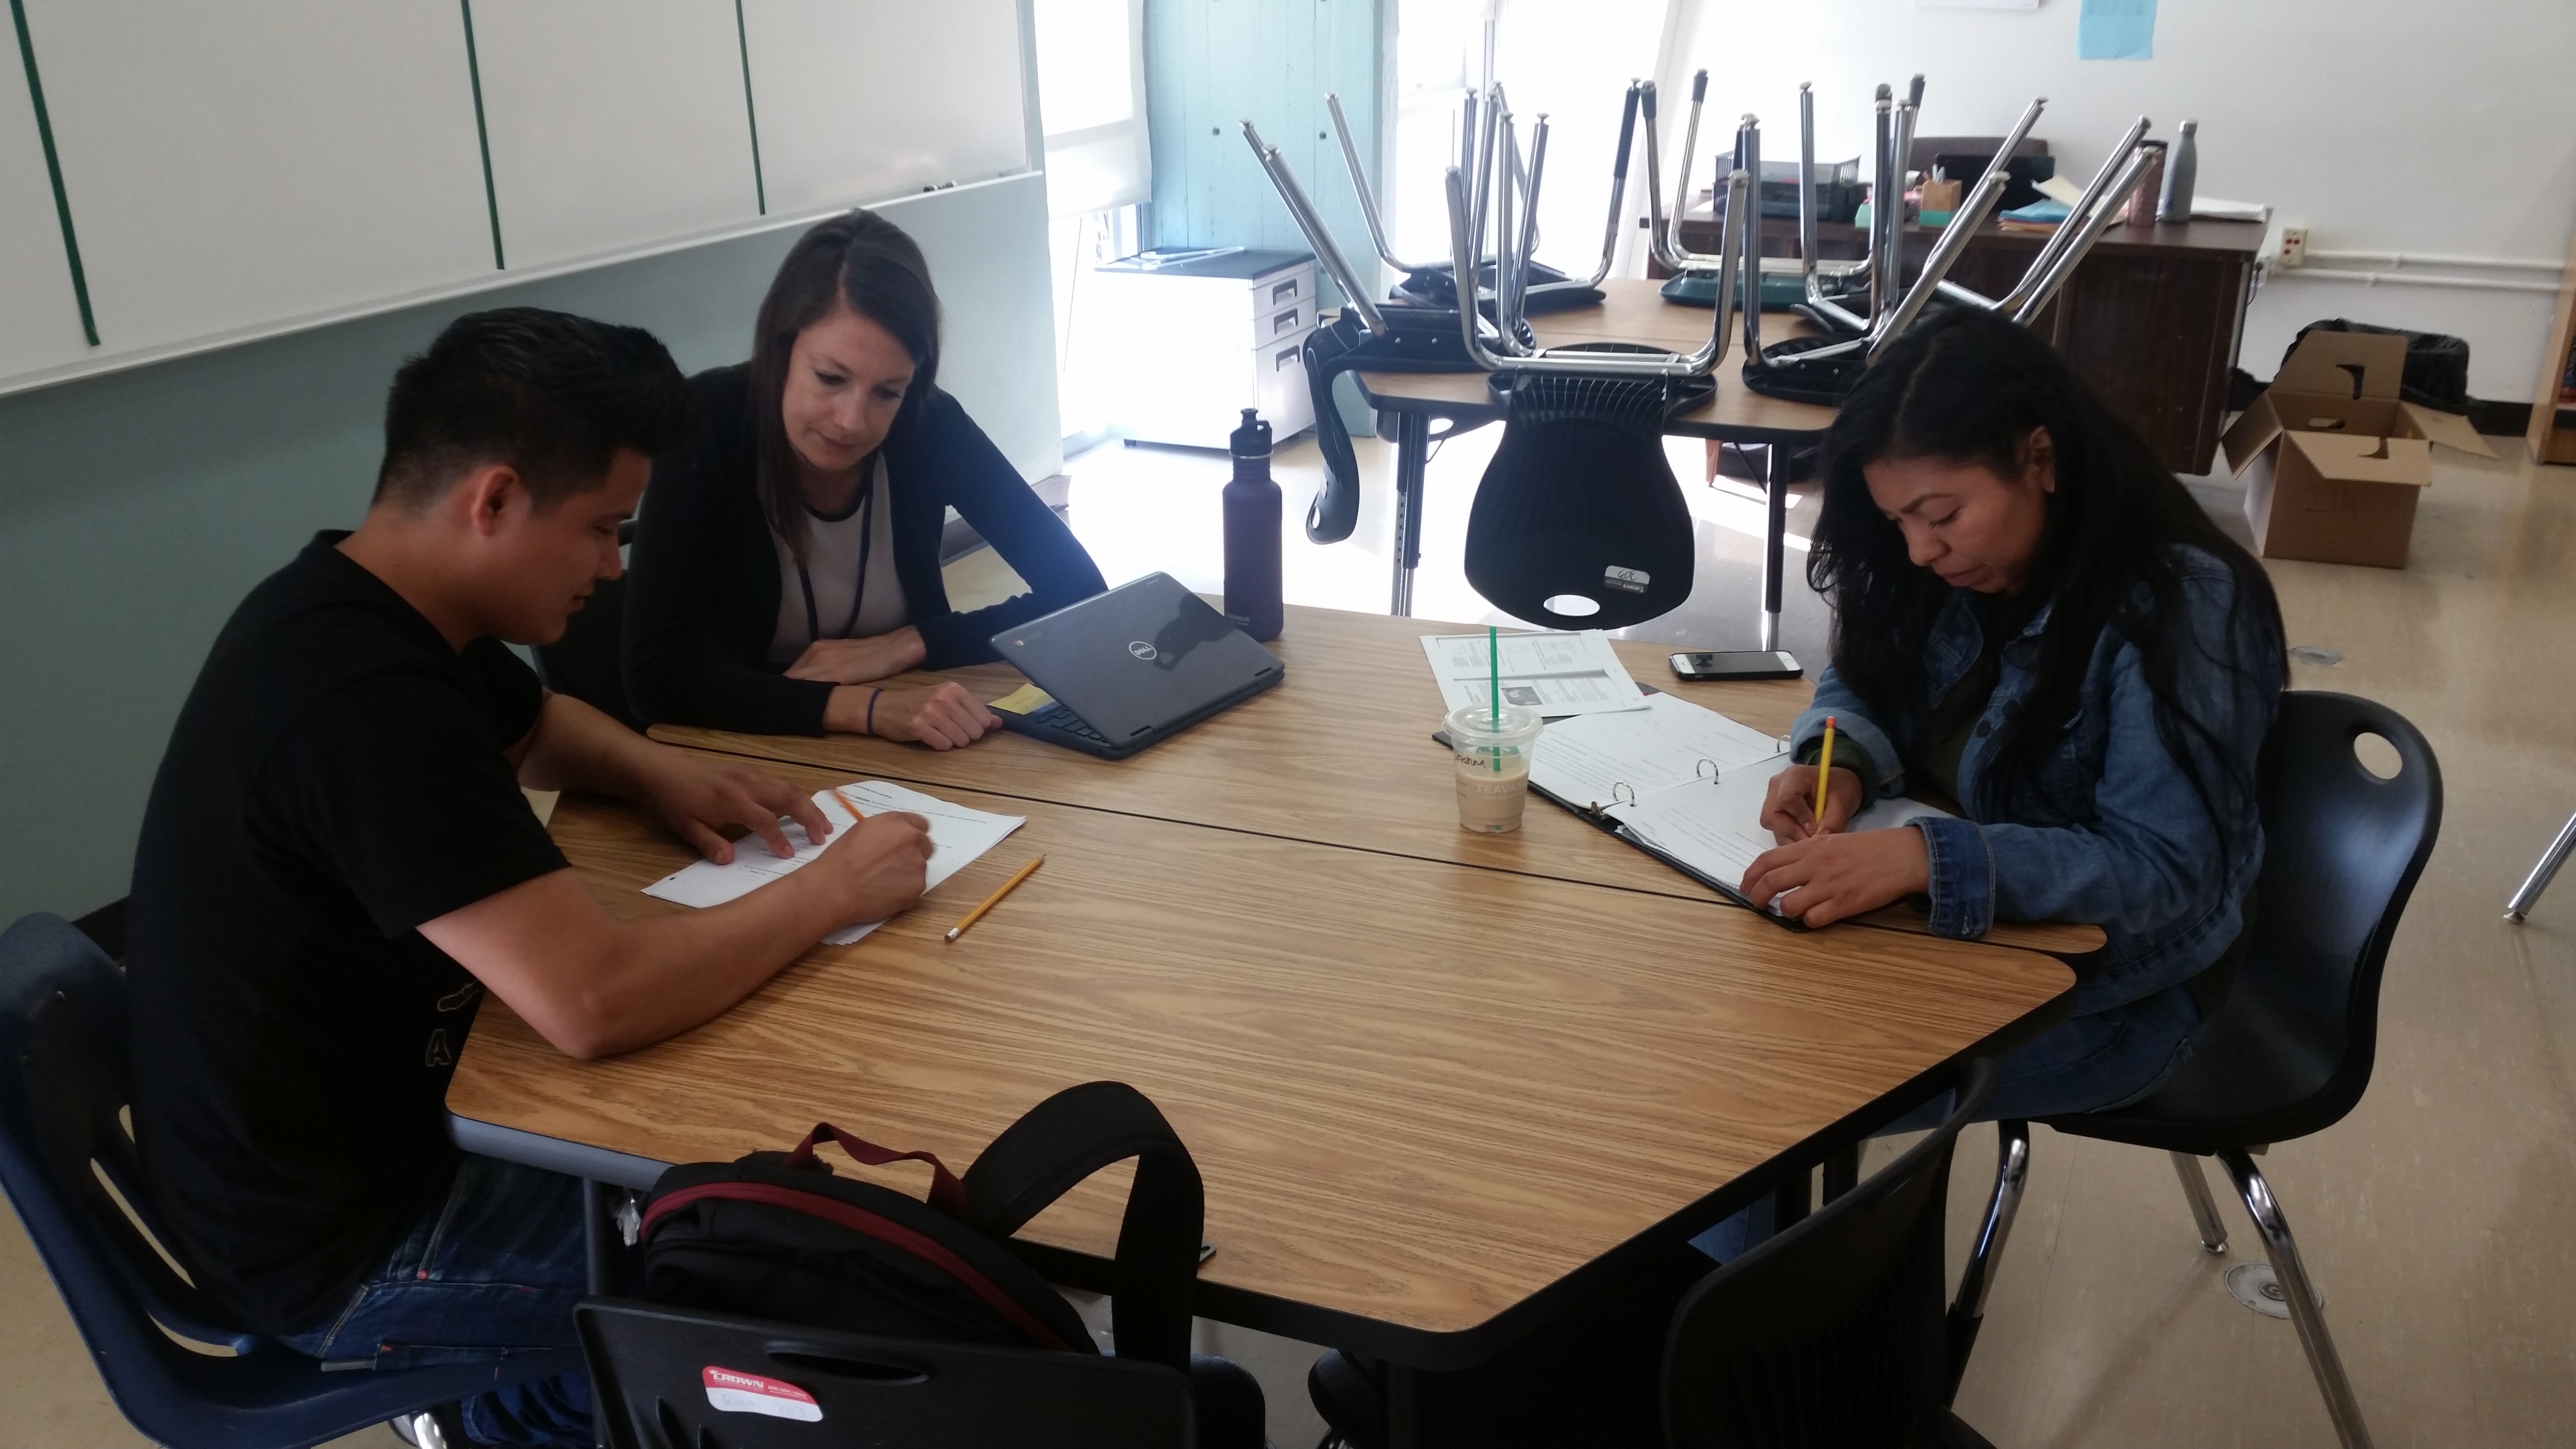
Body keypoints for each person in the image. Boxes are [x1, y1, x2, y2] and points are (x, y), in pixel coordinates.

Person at [126, 308, 938, 1446]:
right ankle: (505, 1413)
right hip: (349, 1244)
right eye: (603, 528)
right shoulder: (365, 705)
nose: (613, 567)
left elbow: (539, 722)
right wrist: (831, 887)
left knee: (741, 1183)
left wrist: (663, 773)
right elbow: (594, 1001)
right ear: (495, 500)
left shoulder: (365, 602)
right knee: (794, 1283)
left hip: (347, 1149)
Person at [1693, 308, 2284, 1263]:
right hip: (1964, 932)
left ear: (2038, 458)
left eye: (1941, 515)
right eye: (1898, 523)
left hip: (2118, 988)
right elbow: (1862, 674)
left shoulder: (2181, 607)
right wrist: (1838, 760)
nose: (1920, 551)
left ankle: (1743, 1341)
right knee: (1707, 1018)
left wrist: (1921, 859)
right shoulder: (1944, 564)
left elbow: (2163, 866)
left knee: (1763, 1096)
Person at [624, 209, 1107, 746]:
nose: (852, 421)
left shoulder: (929, 424)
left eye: (887, 392)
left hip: (919, 743)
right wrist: (866, 708)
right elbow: (657, 680)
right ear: (781, 350)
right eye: (830, 378)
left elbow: (1081, 592)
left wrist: (909, 643)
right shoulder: (706, 425)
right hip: (755, 746)